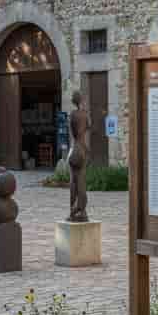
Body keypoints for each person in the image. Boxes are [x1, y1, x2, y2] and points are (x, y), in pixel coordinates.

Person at [67, 91, 90, 222]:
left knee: (74, 183)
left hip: (74, 148)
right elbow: (88, 127)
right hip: (83, 148)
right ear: (81, 100)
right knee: (81, 181)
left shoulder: (72, 115)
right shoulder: (85, 114)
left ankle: (74, 211)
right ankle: (81, 210)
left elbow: (73, 133)